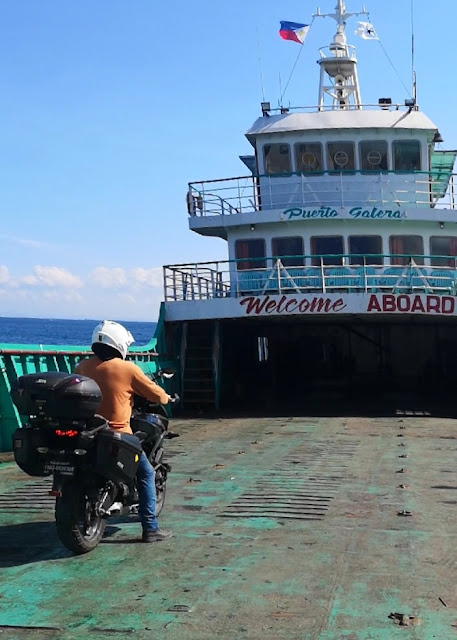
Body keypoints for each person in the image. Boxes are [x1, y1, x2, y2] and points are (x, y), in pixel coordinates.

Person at [75, 320, 173, 543]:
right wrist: (167, 398)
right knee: (146, 473)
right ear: (119, 344)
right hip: (119, 435)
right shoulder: (126, 368)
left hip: (89, 432)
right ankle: (150, 528)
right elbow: (156, 395)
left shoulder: (83, 366)